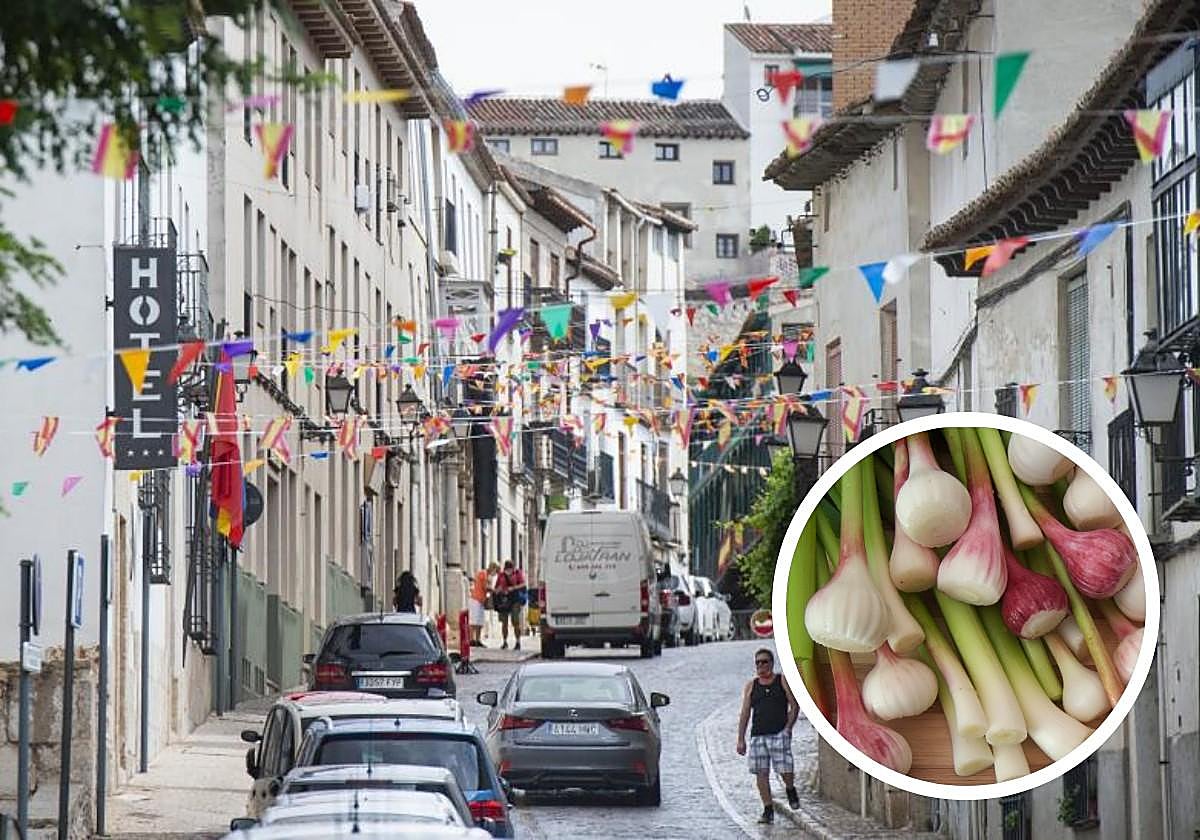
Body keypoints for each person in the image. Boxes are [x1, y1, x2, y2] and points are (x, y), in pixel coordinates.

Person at [736, 647, 800, 824]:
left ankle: (790, 788)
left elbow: (794, 706)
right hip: (758, 736)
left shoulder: (781, 680)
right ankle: (768, 809)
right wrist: (740, 739)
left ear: (771, 663)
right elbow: (745, 713)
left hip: (779, 733)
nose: (761, 665)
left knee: (785, 769)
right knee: (761, 774)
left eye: (764, 661)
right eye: (757, 662)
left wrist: (788, 728)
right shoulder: (751, 686)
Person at [495, 560, 527, 650]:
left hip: (515, 600)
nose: (508, 570)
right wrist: (499, 590)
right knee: (504, 622)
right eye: (507, 568)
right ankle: (505, 642)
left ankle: (518, 642)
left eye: (510, 569)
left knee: (515, 621)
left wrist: (513, 588)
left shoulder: (517, 573)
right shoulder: (501, 575)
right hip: (504, 601)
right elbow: (496, 587)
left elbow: (523, 584)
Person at [469, 564, 497, 646]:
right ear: (492, 569)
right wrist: (495, 590)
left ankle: (477, 640)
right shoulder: (483, 574)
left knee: (480, 622)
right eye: (495, 571)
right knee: (474, 621)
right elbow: (485, 587)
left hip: (481, 600)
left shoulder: (487, 575)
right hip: (476, 599)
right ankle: (471, 639)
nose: (495, 574)